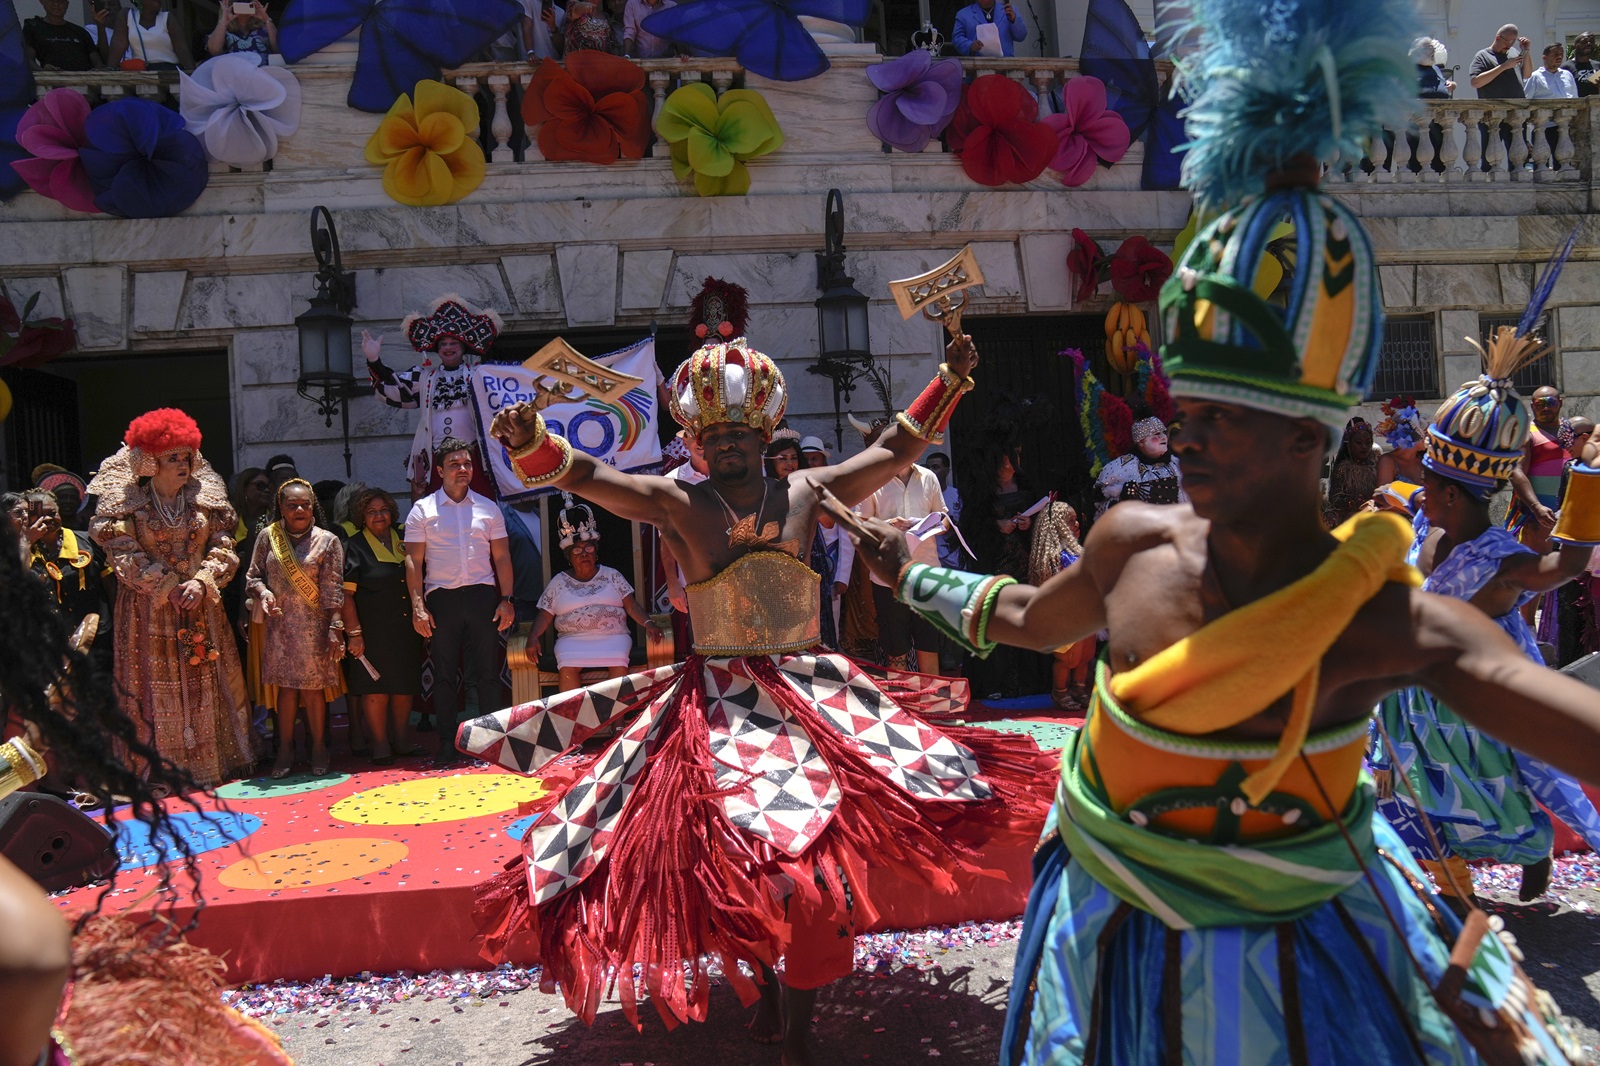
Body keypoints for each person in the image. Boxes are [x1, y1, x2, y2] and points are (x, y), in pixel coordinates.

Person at [846, 5, 1600, 1057]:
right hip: (1103, 951)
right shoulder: (1132, 539)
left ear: (1309, 436)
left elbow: (1562, 721)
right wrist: (911, 572)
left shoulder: (1377, 620)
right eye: (1185, 412)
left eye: (1222, 419)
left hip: (1308, 977)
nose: (1187, 438)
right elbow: (1022, 615)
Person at [464, 326, 1053, 1066]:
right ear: (700, 444)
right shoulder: (678, 501)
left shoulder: (809, 490)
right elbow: (591, 480)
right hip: (713, 703)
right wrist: (532, 442)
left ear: (765, 431)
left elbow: (895, 453)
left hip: (812, 696)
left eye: (743, 432)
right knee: (733, 865)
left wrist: (951, 380)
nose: (731, 445)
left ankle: (798, 1022)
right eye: (717, 437)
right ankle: (770, 987)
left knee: (810, 869)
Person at [1371, 334, 1600, 908]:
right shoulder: (1428, 526)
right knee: (1406, 796)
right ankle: (1447, 888)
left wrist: (1589, 481)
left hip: (1472, 709)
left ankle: (1531, 848)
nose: (1418, 490)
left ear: (1450, 492)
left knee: (1485, 794)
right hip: (1410, 700)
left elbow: (1568, 564)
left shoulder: (1504, 561)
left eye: (1426, 484)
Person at [88, 409, 253, 790]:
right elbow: (122, 553)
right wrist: (167, 586)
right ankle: (159, 770)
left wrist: (203, 580)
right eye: (173, 458)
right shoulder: (129, 503)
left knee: (204, 675)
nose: (183, 465)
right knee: (152, 686)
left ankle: (209, 764)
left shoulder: (204, 500)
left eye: (187, 457)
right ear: (151, 462)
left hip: (200, 602)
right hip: (149, 609)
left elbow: (224, 545)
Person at [403, 437, 516, 769]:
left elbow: (503, 557)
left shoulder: (488, 507)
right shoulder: (422, 509)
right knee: (444, 677)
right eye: (454, 464)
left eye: (467, 463)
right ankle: (448, 747)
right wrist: (418, 605)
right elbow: (413, 562)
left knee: (488, 675)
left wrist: (506, 600)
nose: (463, 469)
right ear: (440, 471)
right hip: (442, 601)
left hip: (482, 597)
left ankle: (491, 746)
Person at [247, 480, 345, 778]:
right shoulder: (268, 537)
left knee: (314, 691)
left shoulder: (327, 540)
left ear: (312, 505)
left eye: (305, 504)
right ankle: (286, 748)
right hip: (279, 626)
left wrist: (335, 626)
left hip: (315, 626)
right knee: (286, 690)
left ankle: (318, 747)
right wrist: (263, 593)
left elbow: (333, 589)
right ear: (281, 508)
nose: (300, 510)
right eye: (292, 505)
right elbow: (253, 577)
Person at [365, 295, 503, 499]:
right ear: (437, 350)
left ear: (463, 346)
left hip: (473, 458)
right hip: (435, 459)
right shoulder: (424, 377)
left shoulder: (479, 375)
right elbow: (393, 389)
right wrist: (374, 360)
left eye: (453, 342)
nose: (448, 347)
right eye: (443, 344)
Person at [529, 495, 654, 691]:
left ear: (596, 552)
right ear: (569, 557)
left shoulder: (612, 575)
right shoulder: (559, 582)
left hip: (614, 637)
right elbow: (544, 615)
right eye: (577, 551)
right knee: (568, 666)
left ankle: (617, 721)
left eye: (588, 548)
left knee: (618, 661)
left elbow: (631, 606)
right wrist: (533, 637)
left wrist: (648, 623)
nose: (584, 553)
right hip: (572, 640)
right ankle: (574, 720)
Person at [339, 487, 422, 766]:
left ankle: (401, 741)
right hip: (371, 631)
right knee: (376, 689)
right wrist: (354, 633)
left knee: (403, 685)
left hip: (406, 628)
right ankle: (379, 744)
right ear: (361, 516)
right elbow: (346, 596)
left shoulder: (405, 538)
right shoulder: (354, 546)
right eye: (372, 512)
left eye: (384, 510)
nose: (379, 516)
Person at [858, 454, 945, 673]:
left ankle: (931, 703)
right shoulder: (873, 480)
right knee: (895, 648)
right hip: (888, 577)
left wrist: (927, 526)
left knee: (929, 644)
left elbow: (944, 518)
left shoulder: (928, 477)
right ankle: (902, 704)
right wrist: (888, 525)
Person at [20, 489, 112, 669]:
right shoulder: (22, 549)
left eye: (52, 513)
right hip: (48, 643)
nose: (46, 519)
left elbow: (111, 586)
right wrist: (26, 541)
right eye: (37, 515)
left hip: (96, 636)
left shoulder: (88, 541)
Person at [1028, 501, 1094, 710]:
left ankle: (1078, 688)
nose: (1076, 524)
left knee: (1085, 656)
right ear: (1056, 527)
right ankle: (1060, 691)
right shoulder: (1052, 558)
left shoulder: (1079, 551)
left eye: (1077, 520)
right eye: (1070, 522)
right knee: (1067, 659)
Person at [1092, 415, 1187, 517]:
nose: (1163, 437)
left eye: (1164, 432)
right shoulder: (1121, 468)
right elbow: (1101, 508)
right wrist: (1122, 498)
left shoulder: (1178, 464)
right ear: (1141, 441)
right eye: (1156, 434)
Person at [1323, 416, 1379, 527]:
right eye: (1359, 442)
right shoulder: (1343, 469)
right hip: (1351, 521)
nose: (1364, 447)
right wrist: (1354, 502)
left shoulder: (1379, 463)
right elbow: (1334, 500)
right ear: (1348, 443)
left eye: (1368, 443)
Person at [23, 0, 107, 71]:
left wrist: (100, 26)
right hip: (53, 86)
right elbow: (27, 60)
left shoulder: (80, 31)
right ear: (42, 1)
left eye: (61, 0)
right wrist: (44, 73)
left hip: (85, 84)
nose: (56, 4)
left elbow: (99, 63)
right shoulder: (33, 27)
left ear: (67, 4)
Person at [108, 0, 192, 71]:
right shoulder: (127, 16)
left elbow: (182, 49)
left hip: (169, 70)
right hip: (142, 73)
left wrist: (193, 73)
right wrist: (110, 69)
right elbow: (119, 44)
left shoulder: (167, 18)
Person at [1471, 23, 1533, 98]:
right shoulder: (1483, 56)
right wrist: (1504, 66)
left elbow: (1527, 75)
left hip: (1518, 107)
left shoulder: (1514, 52)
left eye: (1513, 42)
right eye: (1507, 41)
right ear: (1497, 38)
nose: (1509, 45)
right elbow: (1475, 83)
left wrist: (1526, 50)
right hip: (1494, 108)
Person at [206, 0, 276, 65]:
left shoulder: (265, 28)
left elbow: (279, 49)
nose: (243, 3)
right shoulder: (223, 30)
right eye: (238, 1)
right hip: (234, 74)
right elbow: (214, 50)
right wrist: (224, 21)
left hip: (264, 73)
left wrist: (267, 20)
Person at [952, 0, 1026, 57]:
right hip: (976, 69)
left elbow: (1021, 36)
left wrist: (1014, 20)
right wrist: (970, 46)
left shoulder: (1009, 11)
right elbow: (957, 38)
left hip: (1005, 68)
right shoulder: (964, 14)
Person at [1562, 31, 1600, 98]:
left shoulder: (1598, 65)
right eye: (1584, 41)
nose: (1588, 43)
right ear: (1575, 46)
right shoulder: (1566, 67)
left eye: (1591, 41)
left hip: (1596, 106)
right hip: (1576, 106)